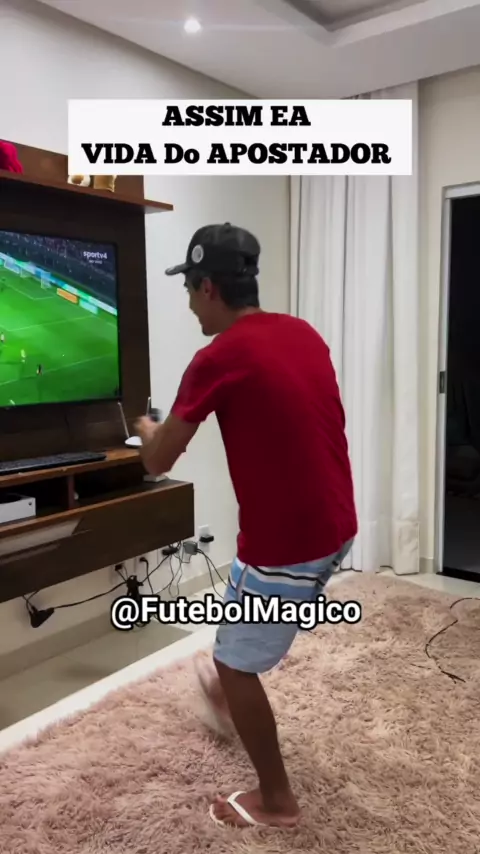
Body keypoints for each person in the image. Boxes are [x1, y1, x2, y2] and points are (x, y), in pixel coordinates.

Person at [135, 223, 357, 830]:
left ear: (208, 287)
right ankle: (225, 683)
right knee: (240, 585)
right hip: (337, 523)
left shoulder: (218, 357)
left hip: (291, 543)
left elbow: (157, 461)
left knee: (237, 665)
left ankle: (277, 801)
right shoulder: (302, 333)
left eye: (189, 289)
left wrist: (145, 429)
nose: (188, 303)